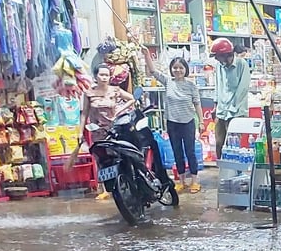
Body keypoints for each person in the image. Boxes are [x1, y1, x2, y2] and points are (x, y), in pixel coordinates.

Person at [65, 63, 135, 200]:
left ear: (110, 77)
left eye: (106, 75)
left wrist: (120, 110)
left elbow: (131, 99)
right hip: (98, 131)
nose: (104, 78)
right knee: (101, 159)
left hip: (115, 129)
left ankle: (127, 182)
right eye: (101, 75)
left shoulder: (115, 90)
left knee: (121, 156)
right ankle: (103, 189)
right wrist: (80, 132)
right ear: (95, 76)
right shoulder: (89, 93)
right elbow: (84, 113)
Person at [144, 49, 203, 194]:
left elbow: (197, 104)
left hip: (188, 122)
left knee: (190, 152)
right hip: (172, 123)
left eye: (181, 68)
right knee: (177, 152)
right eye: (175, 67)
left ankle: (194, 181)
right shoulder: (168, 81)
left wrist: (201, 122)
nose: (178, 70)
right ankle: (181, 181)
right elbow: (153, 71)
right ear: (171, 69)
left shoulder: (191, 85)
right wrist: (146, 55)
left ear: (185, 69)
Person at [211, 38, 250, 160]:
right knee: (219, 143)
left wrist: (233, 108)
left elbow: (242, 89)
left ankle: (234, 172)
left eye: (218, 56)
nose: (216, 59)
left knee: (233, 144)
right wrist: (216, 106)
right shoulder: (219, 66)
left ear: (226, 55)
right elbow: (218, 86)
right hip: (221, 111)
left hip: (236, 111)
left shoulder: (241, 64)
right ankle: (222, 170)